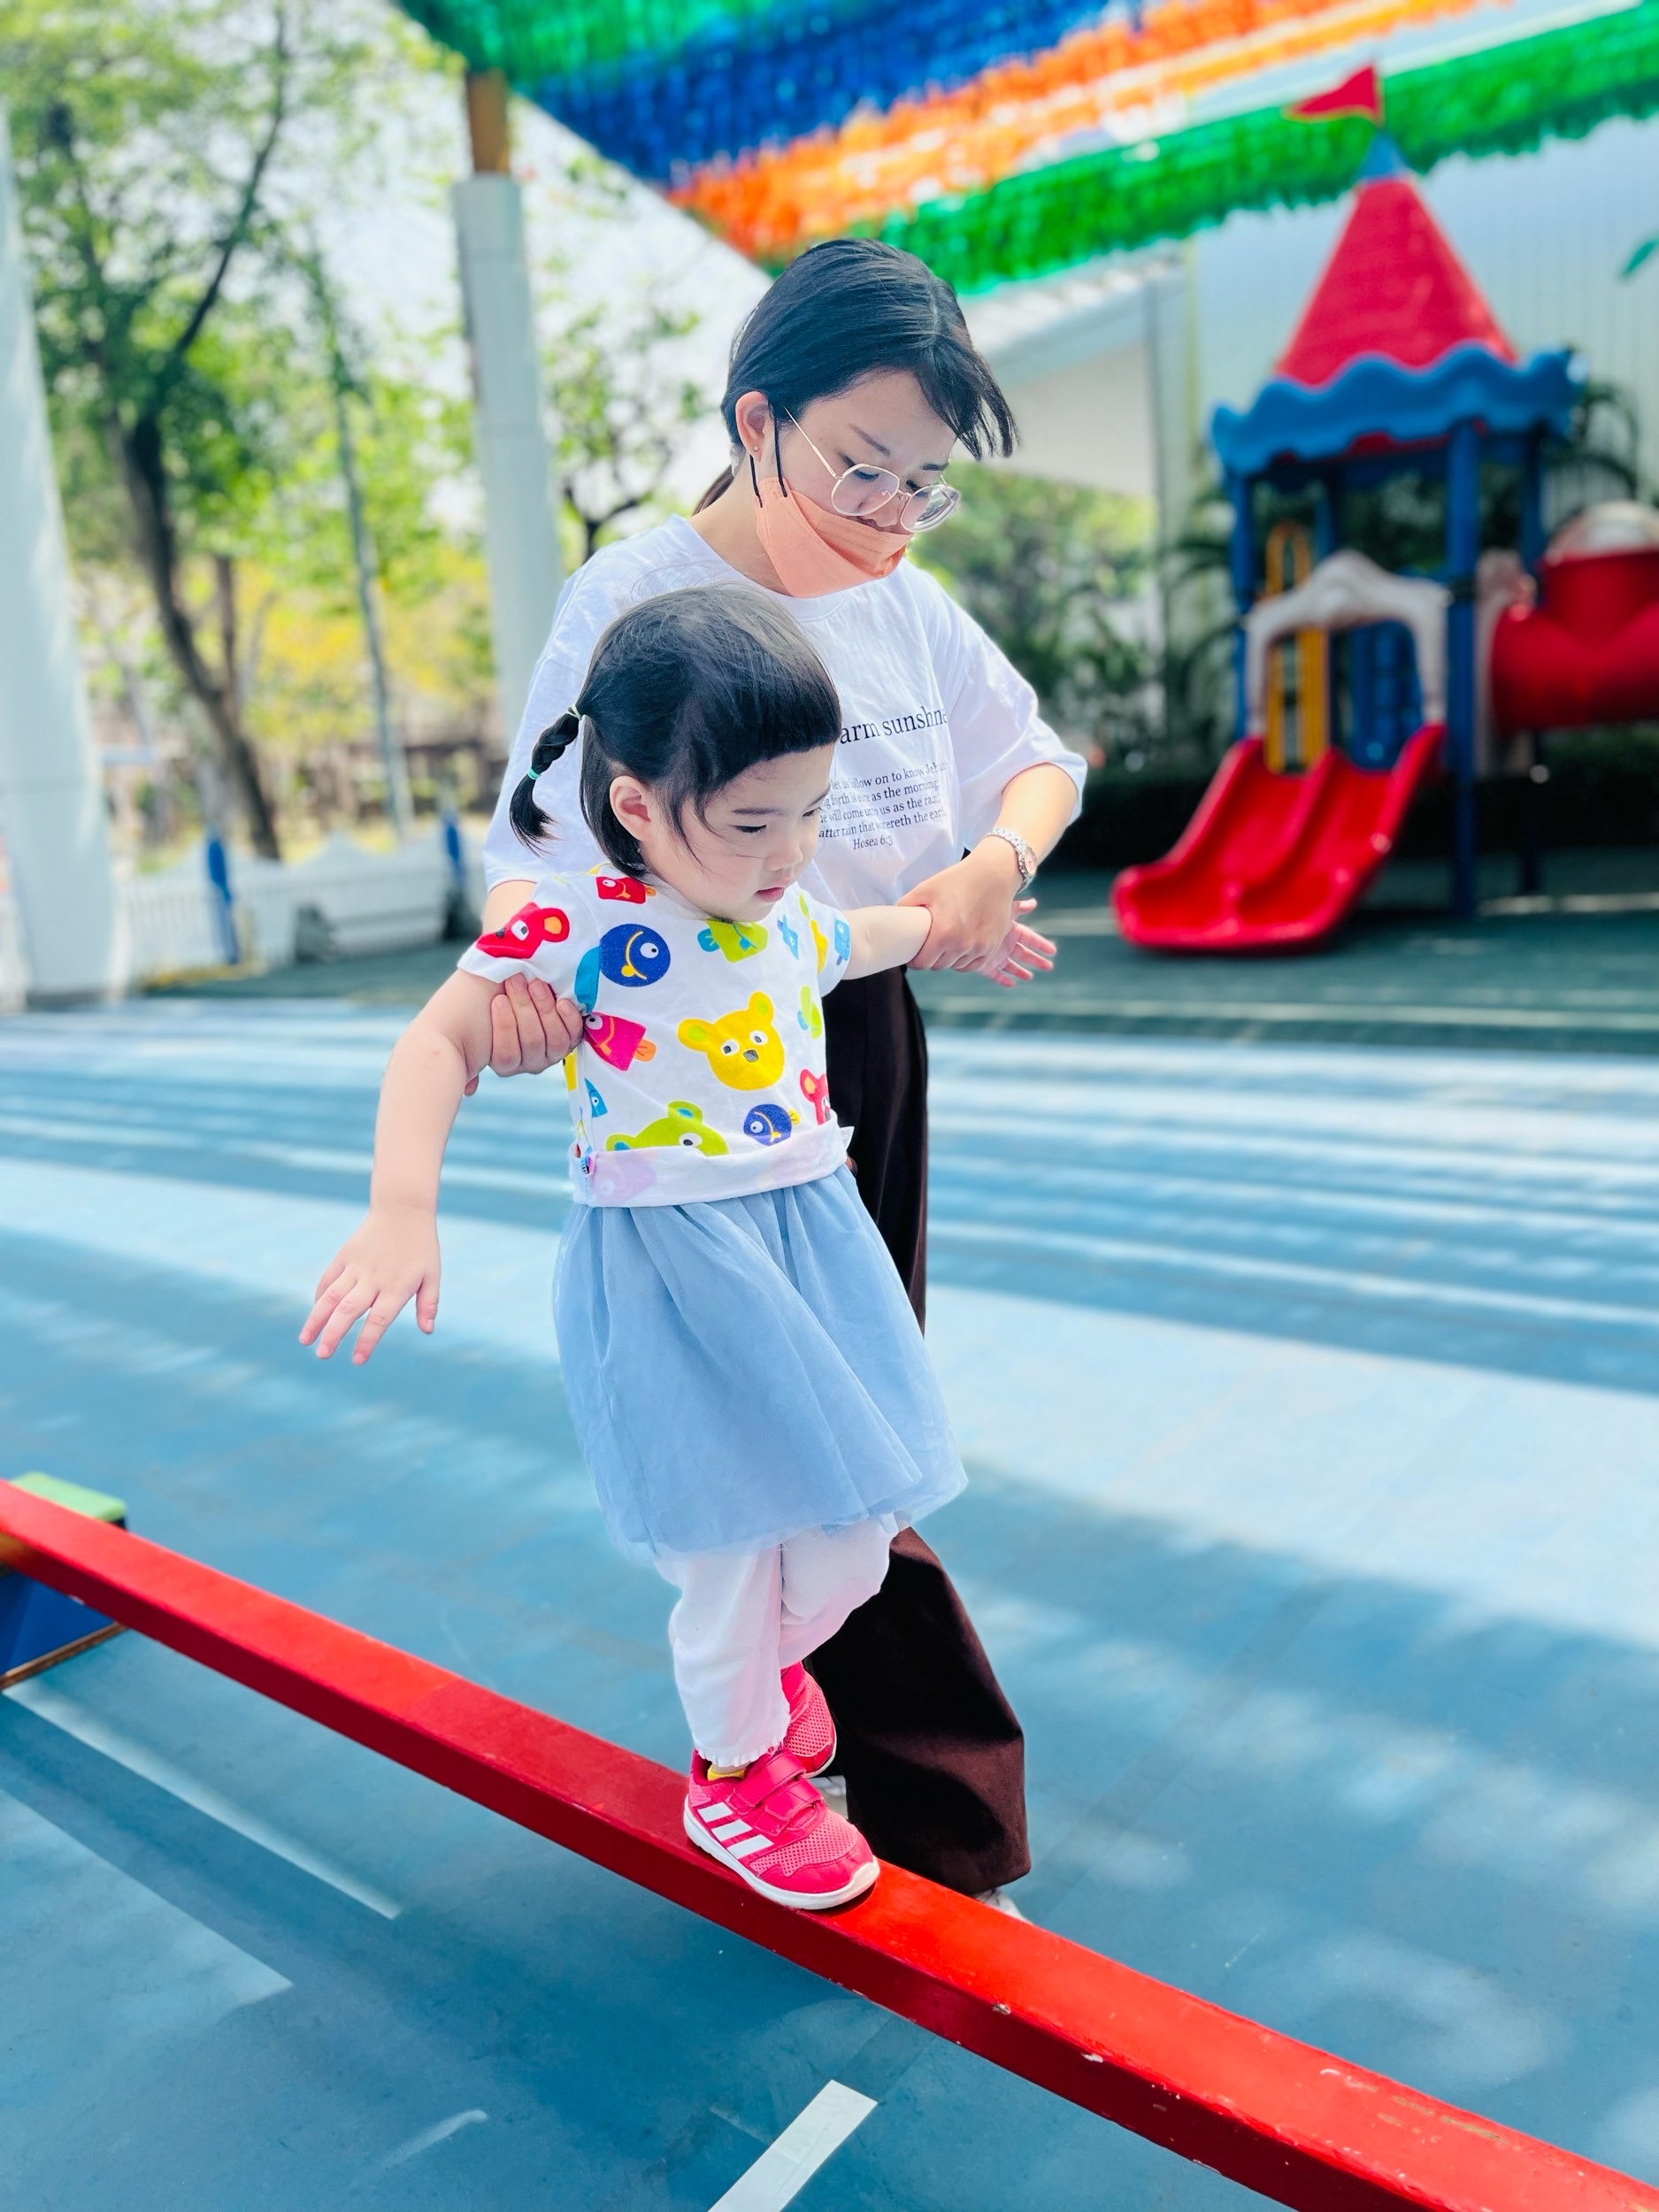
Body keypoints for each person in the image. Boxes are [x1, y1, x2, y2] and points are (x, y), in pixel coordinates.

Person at [472, 238, 1086, 1906]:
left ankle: (799, 1732)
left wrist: (991, 867)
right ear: (758, 421)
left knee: (862, 1428)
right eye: (859, 468)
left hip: (853, 1022)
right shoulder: (638, 598)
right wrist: (524, 992)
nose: (890, 516)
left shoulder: (907, 606)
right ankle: (862, 1789)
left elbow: (1037, 762)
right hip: (686, 1062)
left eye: (925, 483)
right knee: (800, 1441)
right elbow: (540, 849)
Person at [300, 588, 1048, 1909]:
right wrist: (401, 1207)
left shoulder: (787, 914)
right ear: (638, 806)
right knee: (728, 1556)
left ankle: (761, 1684)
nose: (789, 851)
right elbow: (435, 1042)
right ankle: (735, 1774)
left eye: (810, 814)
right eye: (754, 823)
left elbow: (879, 934)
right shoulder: (578, 925)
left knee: (854, 1541)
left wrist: (961, 930)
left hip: (810, 1248)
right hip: (670, 1271)